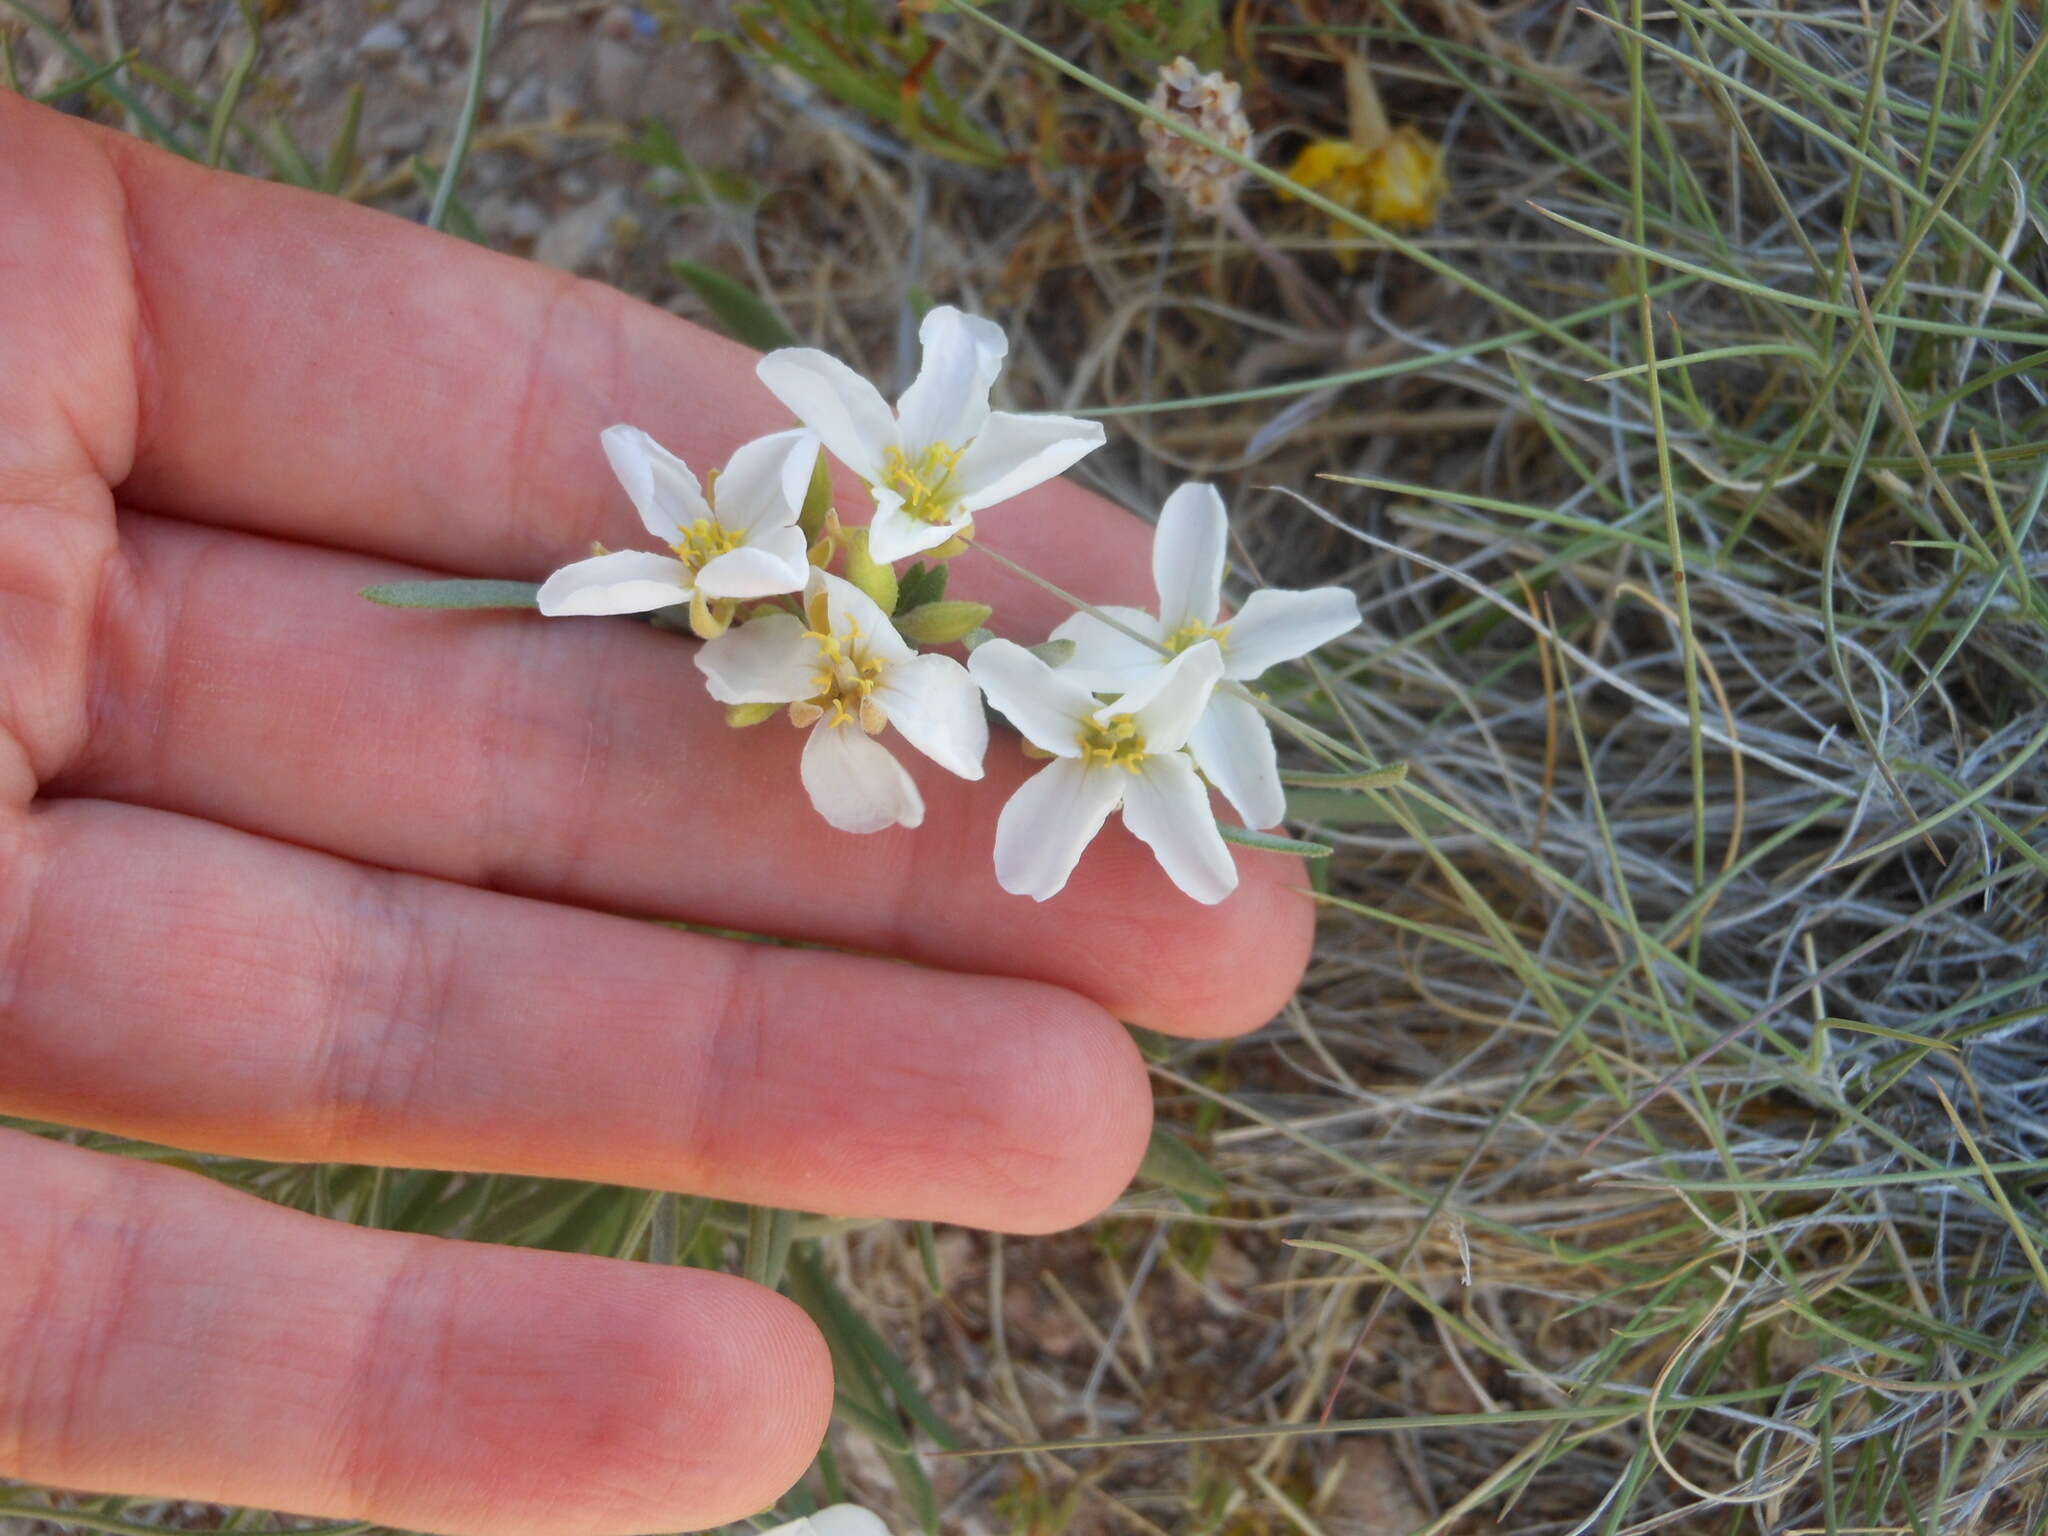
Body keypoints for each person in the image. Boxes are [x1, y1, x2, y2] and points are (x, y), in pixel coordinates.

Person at [0, 93, 1313, 1536]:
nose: (917, 494)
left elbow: (877, 637)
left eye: (922, 492)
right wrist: (822, 626)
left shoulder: (899, 603)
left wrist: (852, 628)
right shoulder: (825, 602)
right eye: (912, 488)